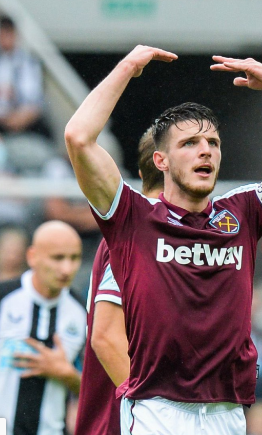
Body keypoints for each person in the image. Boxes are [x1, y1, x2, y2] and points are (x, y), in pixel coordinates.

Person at [63, 45, 262, 434]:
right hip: (156, 411)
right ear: (161, 161)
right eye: (189, 143)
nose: (205, 151)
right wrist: (126, 68)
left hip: (226, 413)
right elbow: (78, 137)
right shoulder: (134, 218)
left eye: (212, 143)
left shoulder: (241, 213)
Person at [73, 131, 164, 435]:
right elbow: (106, 338)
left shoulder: (153, 233)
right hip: (126, 422)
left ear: (141, 173)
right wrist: (157, 414)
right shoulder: (143, 233)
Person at [0, 220, 85, 435]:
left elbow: (101, 392)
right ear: (32, 256)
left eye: (74, 258)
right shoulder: (4, 298)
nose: (67, 268)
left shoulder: (83, 313)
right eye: (58, 258)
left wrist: (67, 374)